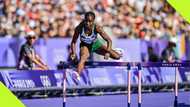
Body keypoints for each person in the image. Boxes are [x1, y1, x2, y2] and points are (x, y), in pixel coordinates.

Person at [70, 11, 122, 80]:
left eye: (90, 21)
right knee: (82, 58)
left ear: (93, 21)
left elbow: (109, 40)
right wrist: (73, 52)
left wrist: (107, 52)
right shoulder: (79, 28)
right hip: (85, 46)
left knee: (117, 56)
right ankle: (77, 75)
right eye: (86, 21)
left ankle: (115, 51)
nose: (88, 23)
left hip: (96, 45)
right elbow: (73, 41)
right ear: (84, 20)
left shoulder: (97, 28)